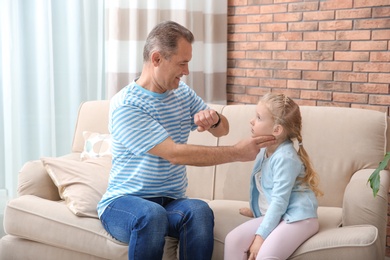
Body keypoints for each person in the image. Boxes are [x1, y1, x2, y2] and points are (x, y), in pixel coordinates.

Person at [97, 20, 276, 260]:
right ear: (157, 58)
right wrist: (235, 152)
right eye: (182, 63)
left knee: (199, 211)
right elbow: (174, 153)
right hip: (124, 203)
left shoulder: (181, 93)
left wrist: (213, 120)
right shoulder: (127, 105)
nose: (187, 71)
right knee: (151, 215)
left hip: (170, 203)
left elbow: (222, 129)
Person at [224, 93, 323, 260]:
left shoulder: (285, 158)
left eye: (258, 117)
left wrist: (260, 236)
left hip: (298, 218)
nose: (252, 121)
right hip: (280, 214)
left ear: (276, 130)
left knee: (265, 255)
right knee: (233, 240)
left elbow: (279, 201)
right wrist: (257, 209)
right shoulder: (264, 150)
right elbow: (267, 190)